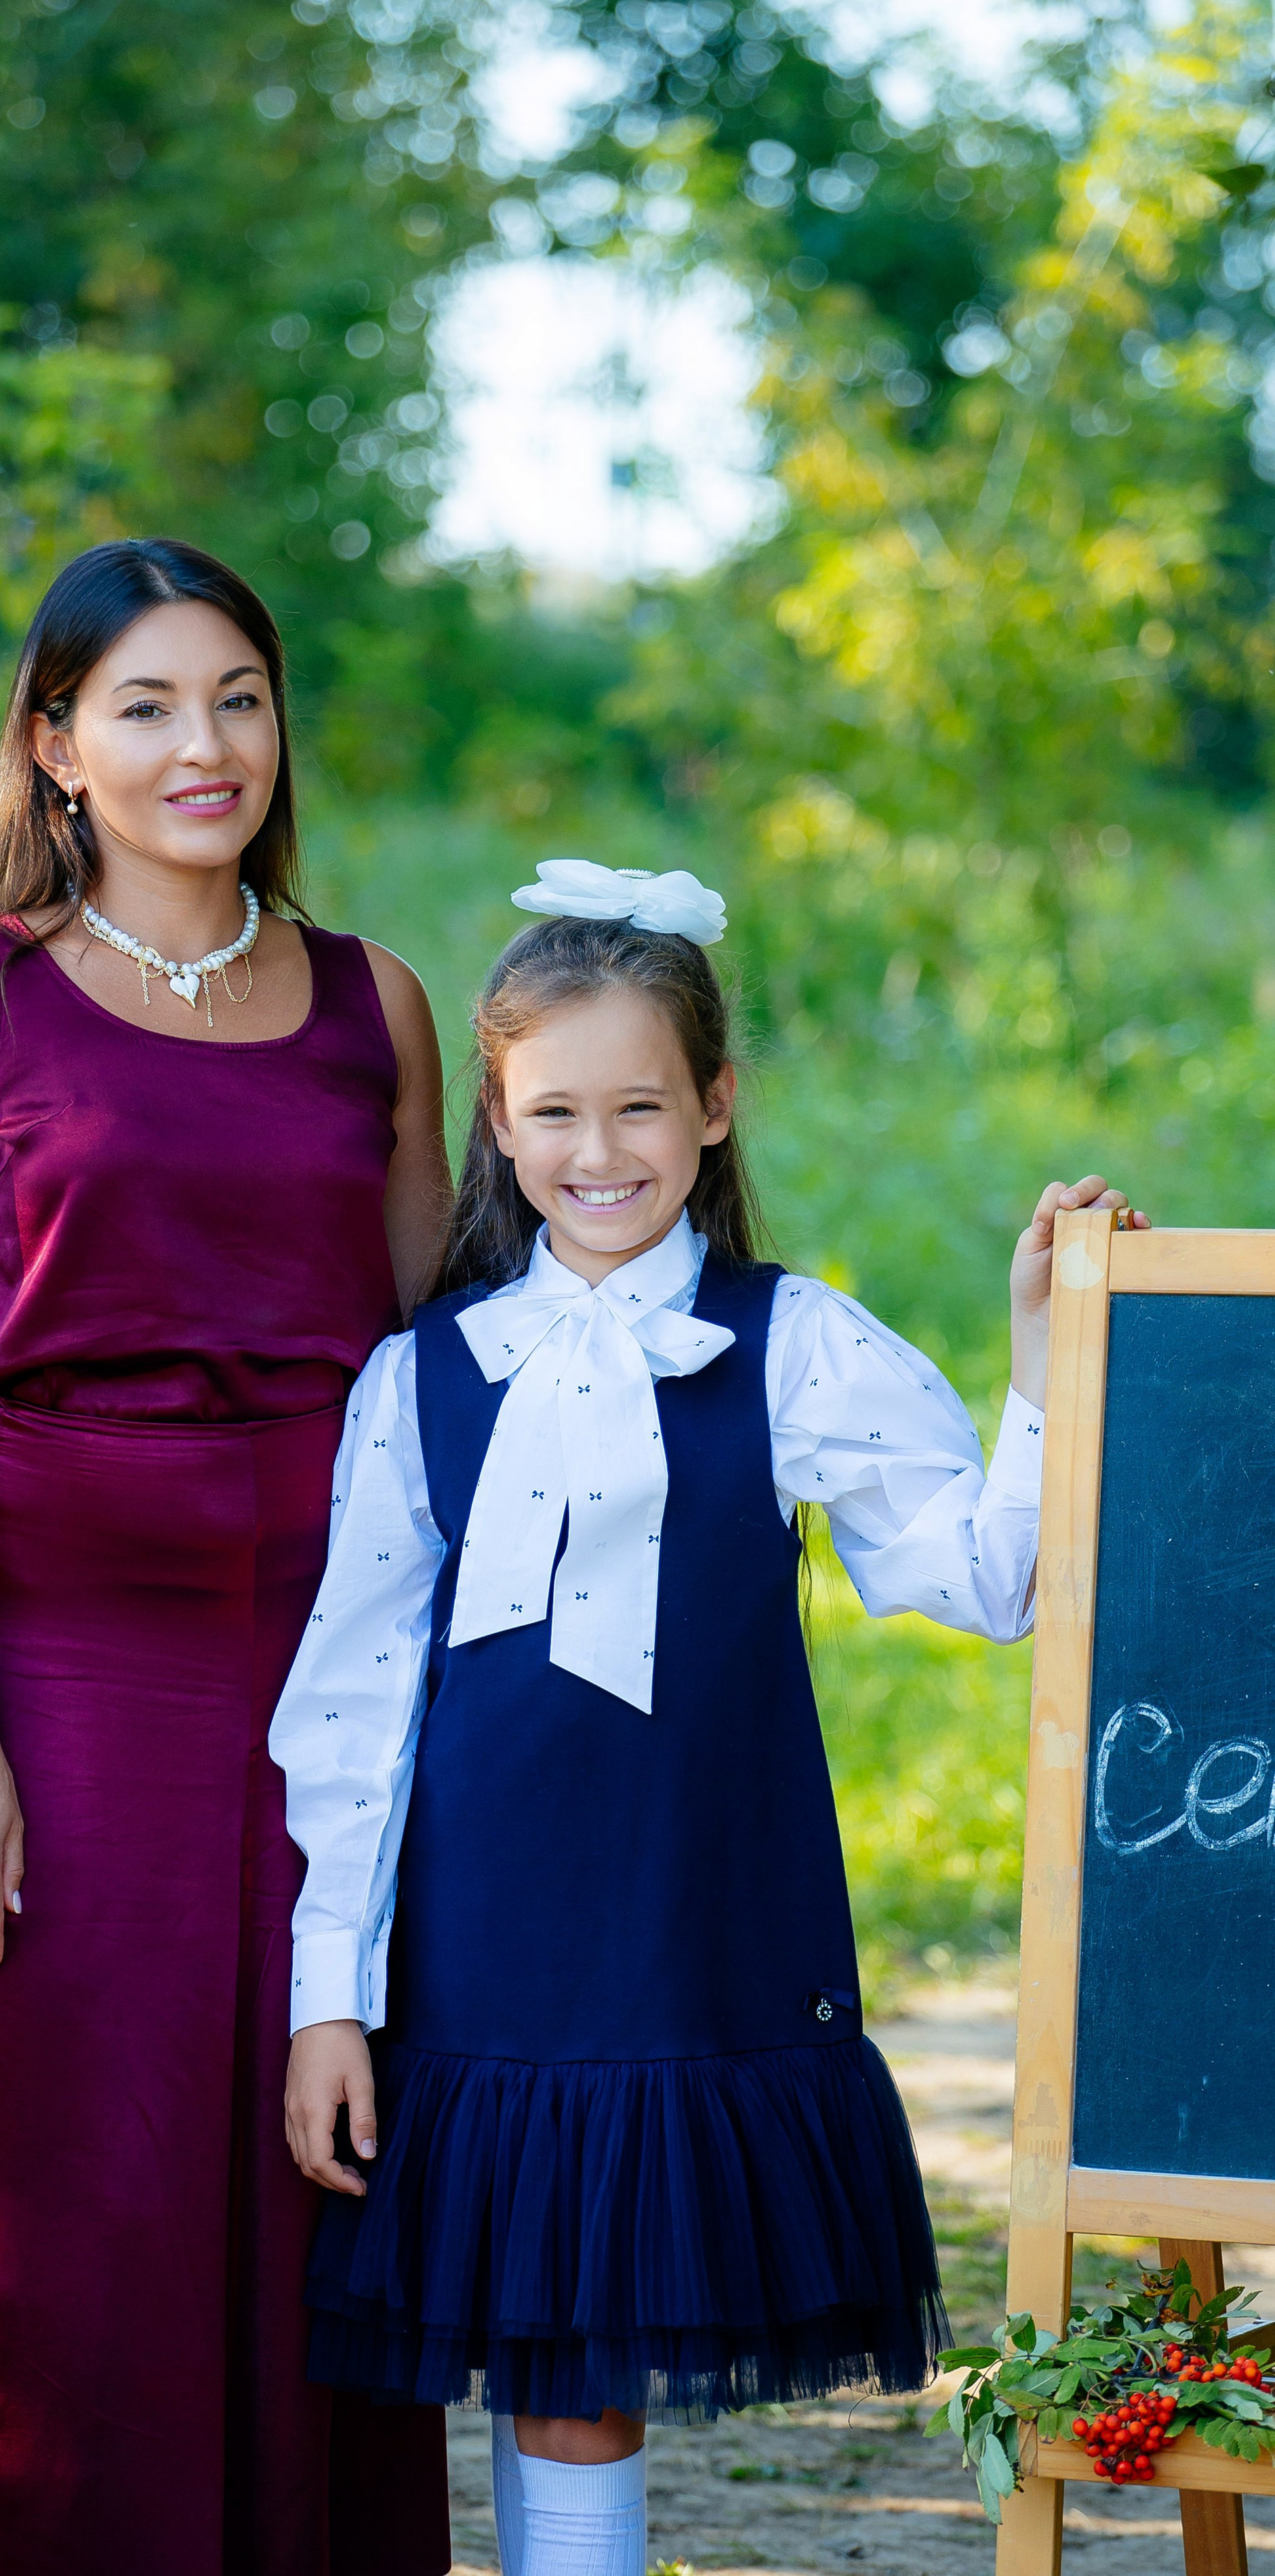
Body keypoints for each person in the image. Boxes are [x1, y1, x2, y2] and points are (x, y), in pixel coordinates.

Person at [268, 859, 1145, 2576]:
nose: (598, 1154)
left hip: (693, 1926)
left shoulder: (792, 1344)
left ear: (714, 1107)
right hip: (481, 1948)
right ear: (498, 1129)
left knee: (584, 2362)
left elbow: (983, 1579)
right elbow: (353, 1707)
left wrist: (1042, 1357)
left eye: (639, 1109)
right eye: (554, 1114)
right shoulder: (421, 1376)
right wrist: (327, 1998)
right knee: (543, 2357)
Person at [0, 538, 452, 2575]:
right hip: (75, 1657)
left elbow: (446, 1377)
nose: (208, 745)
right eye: (149, 706)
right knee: (75, 2168)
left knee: (312, 2149)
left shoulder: (377, 1002)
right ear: (58, 748)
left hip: (337, 1656)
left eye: (242, 698)